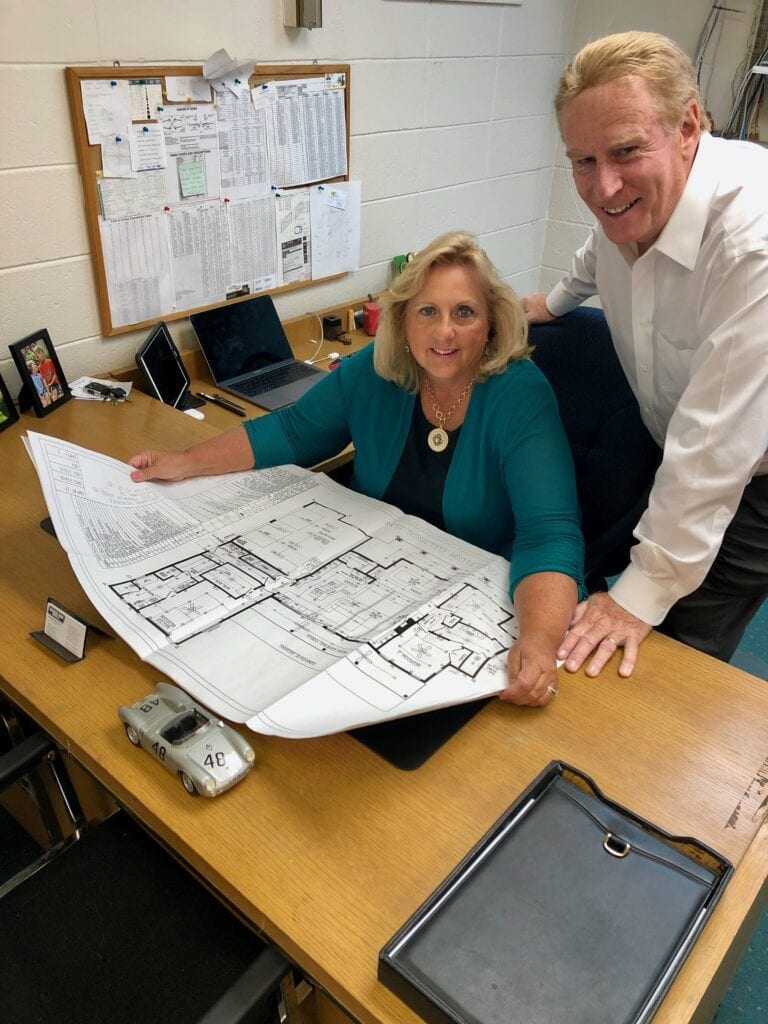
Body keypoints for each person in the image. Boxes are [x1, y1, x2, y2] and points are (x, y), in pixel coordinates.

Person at [129, 232, 585, 706]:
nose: (444, 331)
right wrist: (184, 462)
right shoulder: (377, 370)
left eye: (464, 312)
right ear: (404, 320)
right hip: (379, 588)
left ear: (490, 323)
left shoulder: (520, 394)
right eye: (427, 311)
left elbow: (549, 534)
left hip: (477, 601)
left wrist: (538, 640)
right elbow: (290, 432)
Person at [522, 31, 768, 679]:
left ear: (689, 125)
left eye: (626, 151)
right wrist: (555, 300)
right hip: (681, 443)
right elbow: (597, 251)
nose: (603, 188)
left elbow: (718, 444)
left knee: (673, 652)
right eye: (582, 160)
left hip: (757, 475)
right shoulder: (630, 203)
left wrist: (642, 594)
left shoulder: (752, 242)